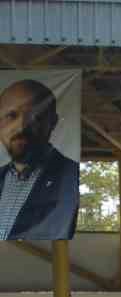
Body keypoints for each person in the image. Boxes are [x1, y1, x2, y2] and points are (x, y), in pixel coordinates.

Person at [0, 78, 80, 241]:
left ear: (53, 122)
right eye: (11, 115)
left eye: (35, 116)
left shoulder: (69, 175)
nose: (22, 126)